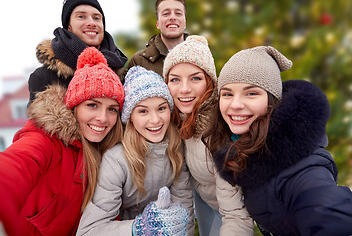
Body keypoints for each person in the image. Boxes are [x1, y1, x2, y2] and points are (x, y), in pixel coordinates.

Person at [204, 46, 352, 235]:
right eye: (227, 94)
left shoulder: (299, 164)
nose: (235, 105)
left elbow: (326, 212)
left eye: (251, 93)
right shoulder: (246, 147)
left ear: (272, 100)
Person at [0, 47, 125, 236]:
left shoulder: (107, 152)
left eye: (112, 109)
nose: (103, 118)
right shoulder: (46, 139)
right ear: (74, 107)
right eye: (92, 105)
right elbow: (14, 166)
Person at [76, 66, 194, 236]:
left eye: (161, 108)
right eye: (143, 111)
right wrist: (139, 228)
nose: (155, 120)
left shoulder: (176, 150)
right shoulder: (117, 160)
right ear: (130, 117)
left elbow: (184, 213)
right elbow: (89, 230)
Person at [163, 35, 254, 235]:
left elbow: (236, 215)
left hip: (229, 210)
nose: (184, 89)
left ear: (210, 83)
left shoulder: (219, 129)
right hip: (204, 201)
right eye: (175, 79)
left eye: (195, 78)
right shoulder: (173, 119)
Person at [28, 0, 128, 105]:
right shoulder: (44, 77)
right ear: (68, 26)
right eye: (81, 16)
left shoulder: (122, 73)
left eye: (97, 18)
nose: (91, 23)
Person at [126, 0, 188, 77]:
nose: (172, 17)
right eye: (166, 14)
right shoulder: (139, 61)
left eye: (178, 13)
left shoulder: (202, 56)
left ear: (185, 23)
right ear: (157, 24)